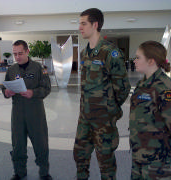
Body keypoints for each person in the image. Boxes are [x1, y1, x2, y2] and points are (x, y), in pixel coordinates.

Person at [73, 8, 131, 180]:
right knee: (79, 155)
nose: (80, 27)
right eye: (80, 23)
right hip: (85, 116)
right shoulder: (84, 53)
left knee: (105, 160)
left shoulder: (110, 53)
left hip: (103, 119)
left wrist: (109, 108)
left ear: (95, 24)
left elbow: (123, 87)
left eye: (83, 23)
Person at [2, 40, 52, 180]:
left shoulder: (39, 68)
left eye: (20, 53)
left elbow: (46, 88)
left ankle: (44, 172)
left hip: (35, 113)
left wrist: (33, 93)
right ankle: (19, 172)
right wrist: (6, 92)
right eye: (15, 54)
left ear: (27, 51)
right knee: (17, 145)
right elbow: (4, 88)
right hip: (17, 114)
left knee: (41, 144)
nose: (17, 57)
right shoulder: (11, 70)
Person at [129, 41, 171, 179]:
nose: (134, 61)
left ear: (151, 61)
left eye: (138, 57)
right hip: (139, 156)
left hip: (158, 162)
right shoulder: (143, 83)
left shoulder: (164, 87)